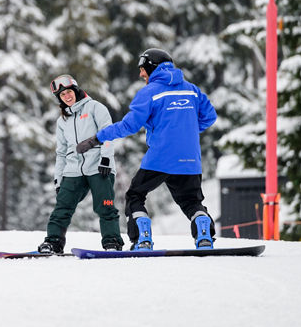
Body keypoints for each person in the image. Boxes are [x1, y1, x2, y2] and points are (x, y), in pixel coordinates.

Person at [76, 48, 217, 249]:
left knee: (135, 195)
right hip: (190, 159)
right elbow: (210, 117)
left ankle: (143, 238)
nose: (141, 74)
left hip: (160, 156)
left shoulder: (149, 93)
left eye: (143, 69)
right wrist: (185, 131)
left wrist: (97, 138)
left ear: (152, 67)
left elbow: (129, 126)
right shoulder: (192, 90)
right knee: (191, 201)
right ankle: (204, 236)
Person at [37, 75, 124, 254]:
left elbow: (108, 133)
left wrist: (106, 158)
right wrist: (58, 179)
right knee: (62, 207)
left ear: (75, 90)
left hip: (99, 166)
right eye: (62, 95)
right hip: (73, 170)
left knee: (105, 206)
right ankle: (53, 242)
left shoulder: (95, 107)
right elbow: (61, 152)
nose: (67, 97)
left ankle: (112, 242)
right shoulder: (63, 120)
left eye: (69, 92)